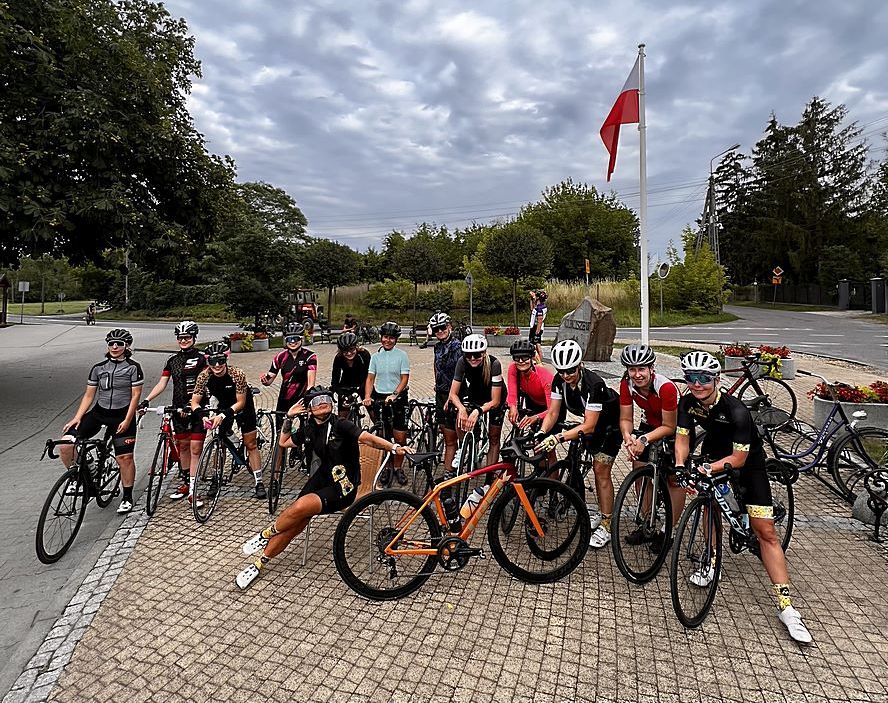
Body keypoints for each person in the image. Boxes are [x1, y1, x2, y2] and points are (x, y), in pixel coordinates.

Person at [674, 351, 812, 644]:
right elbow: (683, 438)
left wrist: (707, 468)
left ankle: (787, 607)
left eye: (704, 378)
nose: (697, 384)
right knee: (710, 508)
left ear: (717, 379)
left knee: (766, 533)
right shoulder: (687, 402)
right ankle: (711, 562)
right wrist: (680, 467)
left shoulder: (736, 410)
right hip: (713, 456)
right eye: (691, 378)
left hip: (748, 465)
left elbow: (738, 457)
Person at [235, 386, 413, 589]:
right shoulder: (310, 427)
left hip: (343, 487)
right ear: (309, 408)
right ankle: (259, 563)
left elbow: (367, 438)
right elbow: (283, 443)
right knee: (294, 525)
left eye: (325, 399)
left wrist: (393, 447)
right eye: (315, 400)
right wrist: (289, 417)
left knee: (300, 507)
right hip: (320, 481)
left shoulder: (341, 424)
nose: (321, 402)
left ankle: (264, 534)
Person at [535, 339, 621, 549]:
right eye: (562, 370)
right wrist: (542, 431)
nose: (566, 375)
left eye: (571, 370)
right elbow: (554, 412)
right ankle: (589, 509)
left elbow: (590, 425)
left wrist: (558, 438)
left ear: (580, 364)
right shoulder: (559, 380)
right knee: (575, 455)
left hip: (610, 426)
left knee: (600, 470)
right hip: (589, 419)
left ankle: (607, 524)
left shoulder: (594, 384)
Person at [60, 329, 144, 513]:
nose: (115, 347)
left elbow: (135, 396)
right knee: (66, 444)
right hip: (99, 413)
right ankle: (79, 477)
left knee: (124, 457)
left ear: (127, 346)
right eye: (111, 343)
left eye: (119, 344)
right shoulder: (98, 368)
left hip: (122, 415)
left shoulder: (133, 367)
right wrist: (77, 417)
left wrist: (128, 420)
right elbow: (89, 396)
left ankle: (127, 496)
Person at [617, 344, 679, 549]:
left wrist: (643, 440)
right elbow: (626, 417)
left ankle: (668, 530)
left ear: (652, 369)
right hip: (649, 423)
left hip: (674, 427)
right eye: (632, 369)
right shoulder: (626, 384)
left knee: (673, 480)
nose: (637, 374)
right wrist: (628, 437)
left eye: (641, 369)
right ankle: (647, 524)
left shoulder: (666, 387)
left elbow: (669, 427)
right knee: (641, 472)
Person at [139, 321, 208, 503]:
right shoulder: (172, 361)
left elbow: (205, 384)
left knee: (195, 449)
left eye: (187, 337)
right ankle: (186, 483)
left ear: (194, 338)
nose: (183, 340)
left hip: (196, 408)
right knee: (183, 447)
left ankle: (194, 489)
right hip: (178, 408)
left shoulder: (202, 359)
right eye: (180, 338)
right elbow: (162, 383)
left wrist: (193, 404)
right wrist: (147, 400)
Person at [191, 341, 266, 500]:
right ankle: (216, 478)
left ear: (226, 360)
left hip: (243, 406)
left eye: (221, 361)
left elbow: (240, 403)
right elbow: (194, 402)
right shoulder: (204, 376)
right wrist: (202, 416)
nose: (217, 365)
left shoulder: (236, 374)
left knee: (251, 444)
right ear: (207, 361)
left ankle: (258, 482)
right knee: (220, 442)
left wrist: (223, 415)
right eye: (212, 361)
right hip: (223, 405)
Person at [448, 334, 506, 469]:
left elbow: (495, 401)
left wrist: (478, 411)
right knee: (460, 416)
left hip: (494, 397)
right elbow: (453, 394)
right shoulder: (462, 362)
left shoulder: (494, 364)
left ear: (484, 353)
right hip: (476, 393)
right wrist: (462, 409)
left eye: (477, 355)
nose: (472, 359)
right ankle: (464, 448)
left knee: (494, 437)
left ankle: (490, 477)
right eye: (468, 355)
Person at [363, 321, 410, 485]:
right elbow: (370, 378)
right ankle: (387, 466)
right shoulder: (375, 357)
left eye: (391, 338)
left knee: (400, 437)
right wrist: (368, 396)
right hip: (380, 398)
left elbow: (404, 378)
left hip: (398, 398)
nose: (387, 341)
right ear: (381, 337)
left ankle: (398, 467)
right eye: (385, 337)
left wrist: (395, 394)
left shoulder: (402, 355)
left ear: (396, 339)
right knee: (384, 436)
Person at [260, 321, 317, 418]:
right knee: (280, 429)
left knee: (306, 429)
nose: (293, 342)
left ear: (301, 339)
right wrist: (265, 380)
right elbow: (269, 380)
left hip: (302, 397)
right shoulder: (280, 357)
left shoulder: (310, 356)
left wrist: (306, 400)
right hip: (285, 397)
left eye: (296, 338)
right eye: (289, 339)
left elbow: (311, 384)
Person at [430, 312, 462, 468]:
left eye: (442, 327)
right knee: (447, 434)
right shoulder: (437, 347)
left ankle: (457, 465)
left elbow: (462, 372)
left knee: (455, 436)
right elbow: (436, 365)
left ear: (449, 327)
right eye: (436, 329)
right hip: (441, 394)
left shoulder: (458, 346)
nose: (440, 331)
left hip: (455, 395)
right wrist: (437, 382)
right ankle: (450, 470)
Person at [506, 338, 553, 431]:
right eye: (516, 358)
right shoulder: (513, 368)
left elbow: (552, 410)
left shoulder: (545, 376)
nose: (520, 361)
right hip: (533, 401)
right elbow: (512, 392)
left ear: (532, 358)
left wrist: (536, 417)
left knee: (544, 438)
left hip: (552, 407)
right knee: (530, 435)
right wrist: (513, 406)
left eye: (525, 357)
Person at [330, 331, 371, 419]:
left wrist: (365, 392)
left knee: (373, 411)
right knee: (342, 418)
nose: (349, 353)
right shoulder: (339, 358)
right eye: (345, 351)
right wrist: (339, 393)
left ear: (356, 347)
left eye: (351, 349)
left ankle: (379, 430)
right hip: (346, 383)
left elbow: (370, 375)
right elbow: (335, 379)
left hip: (364, 382)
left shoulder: (364, 355)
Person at [528, 290, 548, 363]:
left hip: (537, 328)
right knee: (534, 344)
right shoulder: (538, 306)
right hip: (534, 327)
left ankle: (539, 361)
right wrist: (531, 299)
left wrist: (537, 332)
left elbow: (540, 320)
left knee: (537, 344)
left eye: (536, 296)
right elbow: (532, 309)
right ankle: (537, 360)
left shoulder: (540, 308)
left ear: (538, 298)